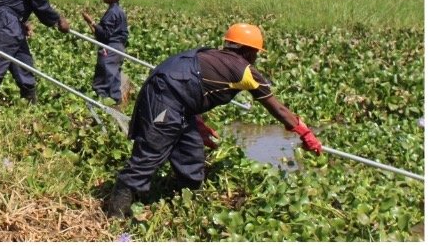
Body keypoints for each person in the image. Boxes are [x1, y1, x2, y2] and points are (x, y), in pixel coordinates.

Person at [106, 23, 324, 218]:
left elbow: (192, 84)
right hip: (164, 98)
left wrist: (197, 123)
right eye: (256, 52)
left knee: (191, 155)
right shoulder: (246, 71)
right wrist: (304, 132)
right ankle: (116, 213)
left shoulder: (211, 55)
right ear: (249, 51)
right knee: (150, 153)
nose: (256, 56)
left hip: (178, 102)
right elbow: (278, 109)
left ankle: (183, 205)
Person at [81, 0, 129, 105]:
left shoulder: (112, 13)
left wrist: (91, 22)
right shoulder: (119, 11)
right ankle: (115, 103)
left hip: (110, 49)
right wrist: (91, 24)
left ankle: (100, 106)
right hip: (118, 49)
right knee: (113, 78)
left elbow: (105, 35)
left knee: (103, 78)